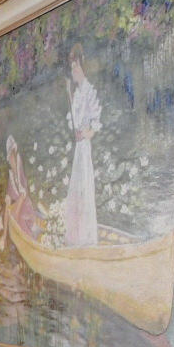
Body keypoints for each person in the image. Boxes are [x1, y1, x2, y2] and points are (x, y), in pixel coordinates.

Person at [62, 46, 102, 249]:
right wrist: (69, 93)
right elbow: (73, 121)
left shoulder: (90, 92)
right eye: (71, 67)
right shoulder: (77, 93)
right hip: (78, 148)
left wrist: (85, 133)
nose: (73, 71)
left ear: (82, 67)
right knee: (75, 188)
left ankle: (86, 238)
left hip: (84, 147)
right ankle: (75, 237)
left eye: (75, 66)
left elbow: (95, 123)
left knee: (84, 187)